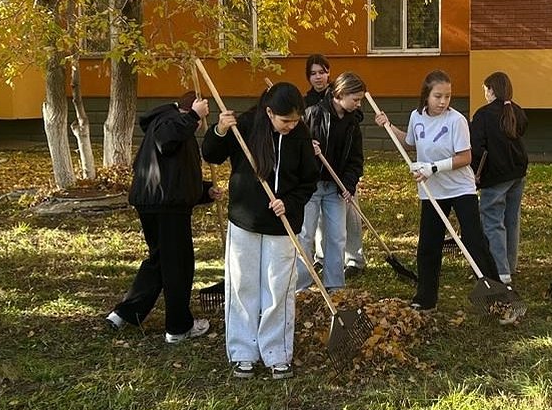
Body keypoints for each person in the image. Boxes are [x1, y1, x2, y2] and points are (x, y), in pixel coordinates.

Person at [374, 70, 519, 323]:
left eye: (447, 96)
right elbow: (410, 143)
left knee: (474, 243)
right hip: (432, 193)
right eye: (438, 96)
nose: (443, 101)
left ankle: (499, 299)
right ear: (426, 96)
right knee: (428, 246)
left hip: (459, 189)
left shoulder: (456, 121)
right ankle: (426, 298)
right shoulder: (416, 117)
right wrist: (388, 126)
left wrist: (431, 168)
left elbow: (465, 157)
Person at [203, 82, 318, 380]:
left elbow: (308, 181)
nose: (291, 126)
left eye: (296, 120)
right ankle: (243, 351)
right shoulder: (244, 126)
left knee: (278, 288)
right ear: (269, 112)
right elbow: (211, 154)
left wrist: (290, 204)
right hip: (245, 221)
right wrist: (220, 130)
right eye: (285, 121)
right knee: (242, 284)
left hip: (283, 225)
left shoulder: (300, 134)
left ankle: (276, 352)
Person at [105, 92, 221, 343]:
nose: (202, 122)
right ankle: (179, 328)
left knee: (160, 261)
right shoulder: (169, 121)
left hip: (156, 201)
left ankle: (124, 313)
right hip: (166, 207)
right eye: (203, 113)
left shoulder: (171, 123)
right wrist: (192, 116)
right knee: (178, 264)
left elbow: (174, 172)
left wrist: (204, 191)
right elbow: (165, 141)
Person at [296, 73, 366, 292]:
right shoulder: (312, 114)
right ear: (341, 94)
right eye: (355, 99)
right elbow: (293, 148)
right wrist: (309, 150)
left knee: (337, 236)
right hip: (310, 187)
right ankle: (302, 287)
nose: (359, 104)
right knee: (305, 235)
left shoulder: (353, 123)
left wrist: (348, 184)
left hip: (336, 189)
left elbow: (356, 160)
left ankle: (334, 286)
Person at [470, 71, 528, 284]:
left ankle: (500, 272)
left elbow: (476, 148)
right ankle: (510, 266)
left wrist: (475, 174)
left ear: (491, 90)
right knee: (511, 220)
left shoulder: (483, 115)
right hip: (517, 173)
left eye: (485, 90)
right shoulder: (517, 111)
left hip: (495, 175)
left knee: (493, 221)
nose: (484, 94)